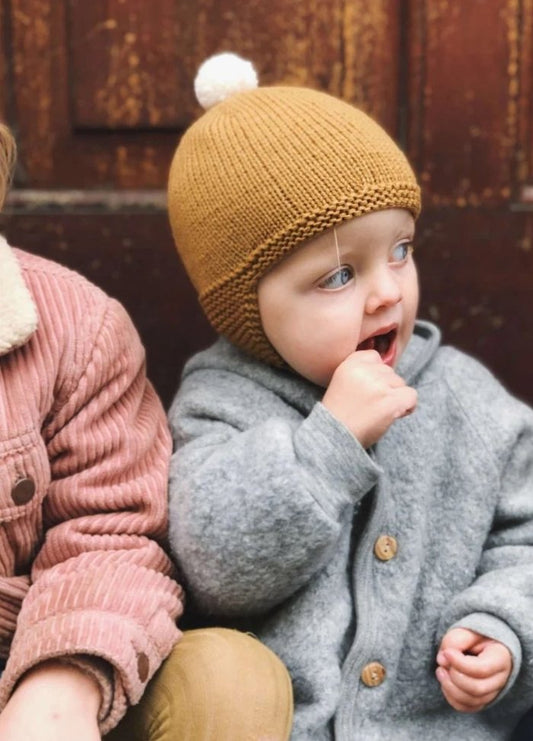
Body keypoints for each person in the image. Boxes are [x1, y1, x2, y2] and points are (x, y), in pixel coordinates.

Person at [166, 53, 533, 740]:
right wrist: (328, 443)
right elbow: (213, 565)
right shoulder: (222, 401)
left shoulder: (462, 394)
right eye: (338, 275)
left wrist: (504, 624)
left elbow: (528, 535)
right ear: (246, 308)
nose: (388, 291)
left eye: (399, 250)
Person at [0, 122, 185, 739]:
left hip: (24, 663)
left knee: (227, 681)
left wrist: (62, 680)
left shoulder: (76, 331)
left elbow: (110, 534)